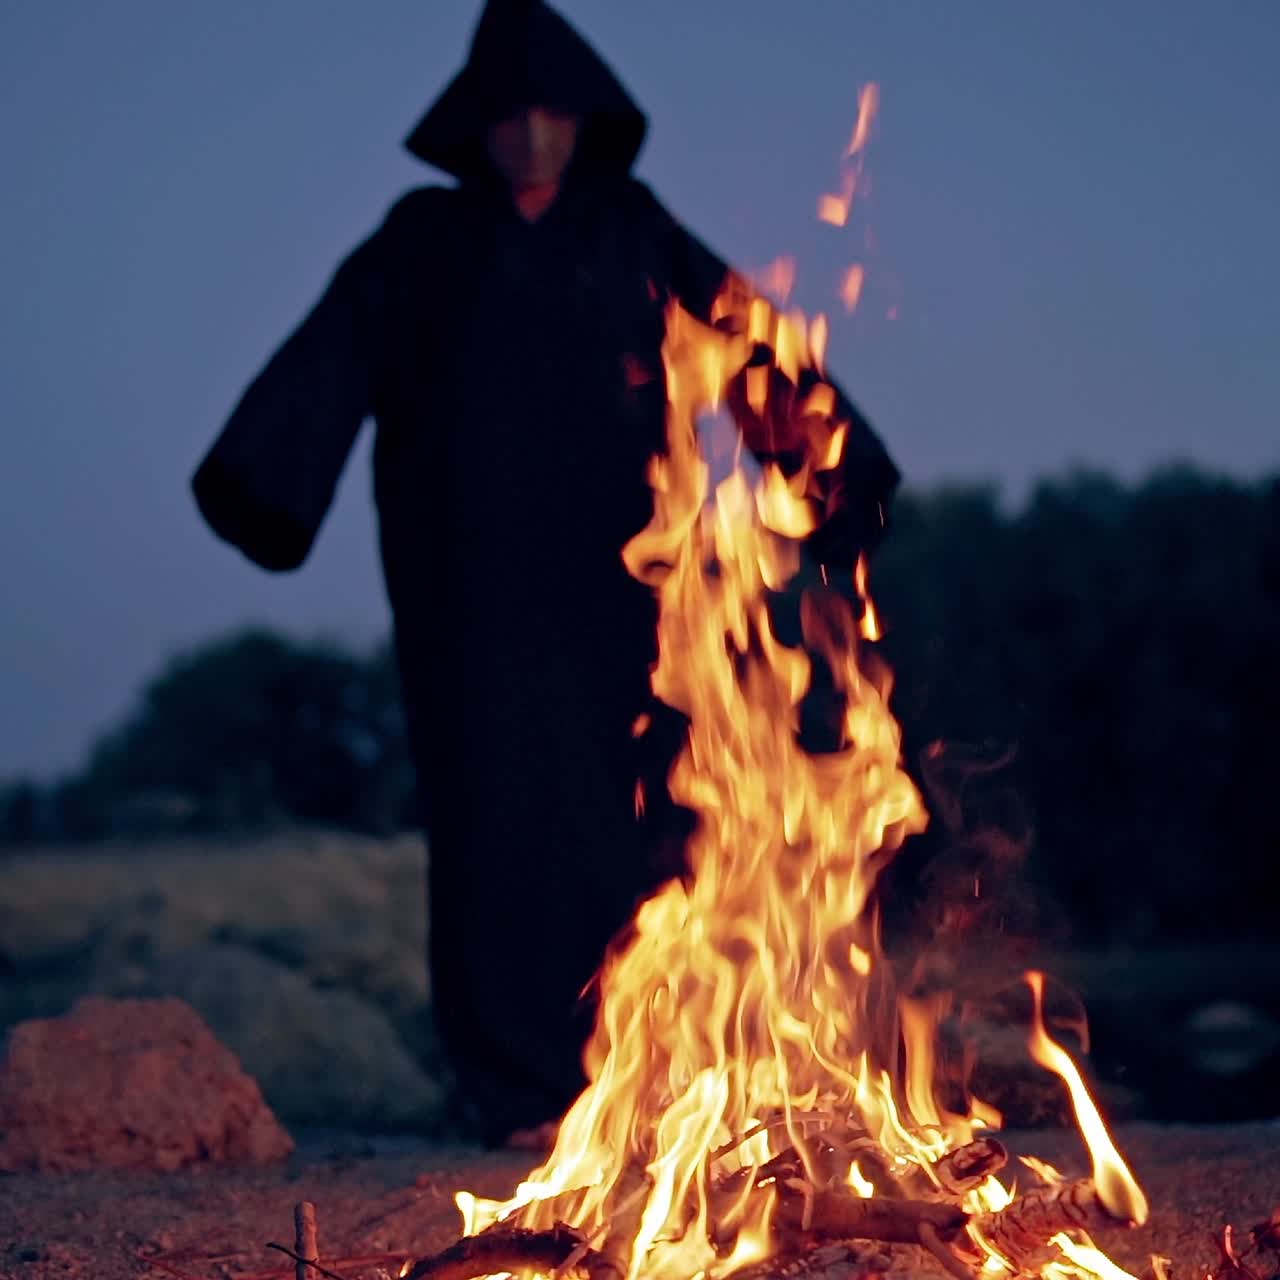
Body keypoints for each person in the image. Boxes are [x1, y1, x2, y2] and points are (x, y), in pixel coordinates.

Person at [192, 0, 900, 1144]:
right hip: (461, 582)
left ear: (584, 122)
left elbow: (742, 335)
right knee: (488, 814)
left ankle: (648, 1073)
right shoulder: (418, 241)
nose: (528, 134)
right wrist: (257, 487)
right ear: (473, 127)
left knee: (631, 807)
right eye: (507, 115)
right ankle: (521, 1094)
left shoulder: (626, 228)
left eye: (550, 112)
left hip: (620, 575)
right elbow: (326, 360)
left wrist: (832, 463)